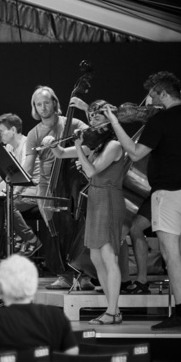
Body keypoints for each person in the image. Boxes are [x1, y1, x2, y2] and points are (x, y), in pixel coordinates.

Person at [105, 71, 181, 329]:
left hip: (169, 193)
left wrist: (115, 123)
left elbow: (135, 153)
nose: (149, 100)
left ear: (163, 93)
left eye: (152, 94)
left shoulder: (161, 120)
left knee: (171, 254)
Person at [51, 102, 128, 325]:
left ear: (108, 123)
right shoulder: (96, 147)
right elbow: (61, 153)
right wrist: (52, 143)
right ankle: (113, 309)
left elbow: (92, 171)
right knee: (95, 256)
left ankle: (112, 311)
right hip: (96, 198)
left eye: (97, 117)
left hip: (109, 199)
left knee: (109, 255)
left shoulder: (114, 145)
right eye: (91, 117)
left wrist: (80, 152)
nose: (91, 121)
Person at [21, 85, 87, 285]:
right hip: (47, 187)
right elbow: (29, 164)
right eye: (38, 104)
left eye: (46, 102)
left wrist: (86, 109)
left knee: (78, 229)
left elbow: (95, 137)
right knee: (55, 231)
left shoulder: (72, 123)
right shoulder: (34, 133)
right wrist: (16, 183)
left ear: (55, 103)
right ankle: (64, 274)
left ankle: (83, 273)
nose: (43, 107)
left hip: (72, 183)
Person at [0, 112, 42, 257]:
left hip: (35, 190)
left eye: (1, 131)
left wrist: (13, 193)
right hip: (22, 190)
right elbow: (1, 174)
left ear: (13, 130)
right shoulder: (9, 148)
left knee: (6, 204)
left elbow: (25, 174)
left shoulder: (27, 144)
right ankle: (16, 239)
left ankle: (30, 239)